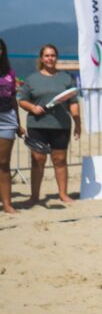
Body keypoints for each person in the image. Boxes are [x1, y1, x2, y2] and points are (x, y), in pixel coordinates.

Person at [18, 44, 80, 205]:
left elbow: (73, 102)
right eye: (46, 55)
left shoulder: (66, 78)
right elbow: (22, 100)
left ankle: (63, 195)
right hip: (37, 126)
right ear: (41, 58)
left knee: (60, 160)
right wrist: (32, 107)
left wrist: (77, 122)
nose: (50, 58)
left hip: (61, 126)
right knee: (38, 160)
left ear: (56, 57)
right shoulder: (32, 79)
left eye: (52, 55)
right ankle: (34, 197)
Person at [0, 39, 25, 213]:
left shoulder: (9, 73)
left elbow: (14, 100)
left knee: (3, 163)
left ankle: (7, 203)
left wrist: (18, 123)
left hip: (7, 119)